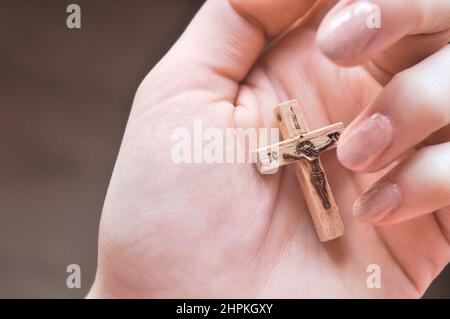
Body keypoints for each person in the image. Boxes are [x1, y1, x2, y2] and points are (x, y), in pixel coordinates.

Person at [87, 0, 450, 298]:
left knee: (319, 182)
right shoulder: (293, 146)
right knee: (316, 178)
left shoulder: (318, 142)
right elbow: (275, 155)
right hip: (306, 164)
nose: (309, 146)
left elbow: (333, 136)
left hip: (321, 176)